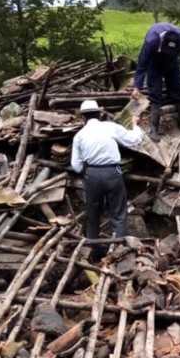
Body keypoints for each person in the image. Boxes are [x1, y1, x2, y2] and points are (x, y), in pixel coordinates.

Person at [71, 100, 144, 259]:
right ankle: (119, 252)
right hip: (112, 173)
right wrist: (135, 124)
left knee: (93, 214)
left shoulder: (79, 136)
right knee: (118, 212)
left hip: (91, 175)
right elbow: (134, 140)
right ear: (99, 113)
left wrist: (88, 169)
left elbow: (75, 166)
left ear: (83, 117)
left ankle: (94, 253)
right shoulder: (110, 127)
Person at [132, 22, 180, 140]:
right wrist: (136, 87)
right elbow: (142, 65)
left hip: (172, 63)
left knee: (179, 90)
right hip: (154, 65)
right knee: (155, 94)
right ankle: (154, 130)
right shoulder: (151, 41)